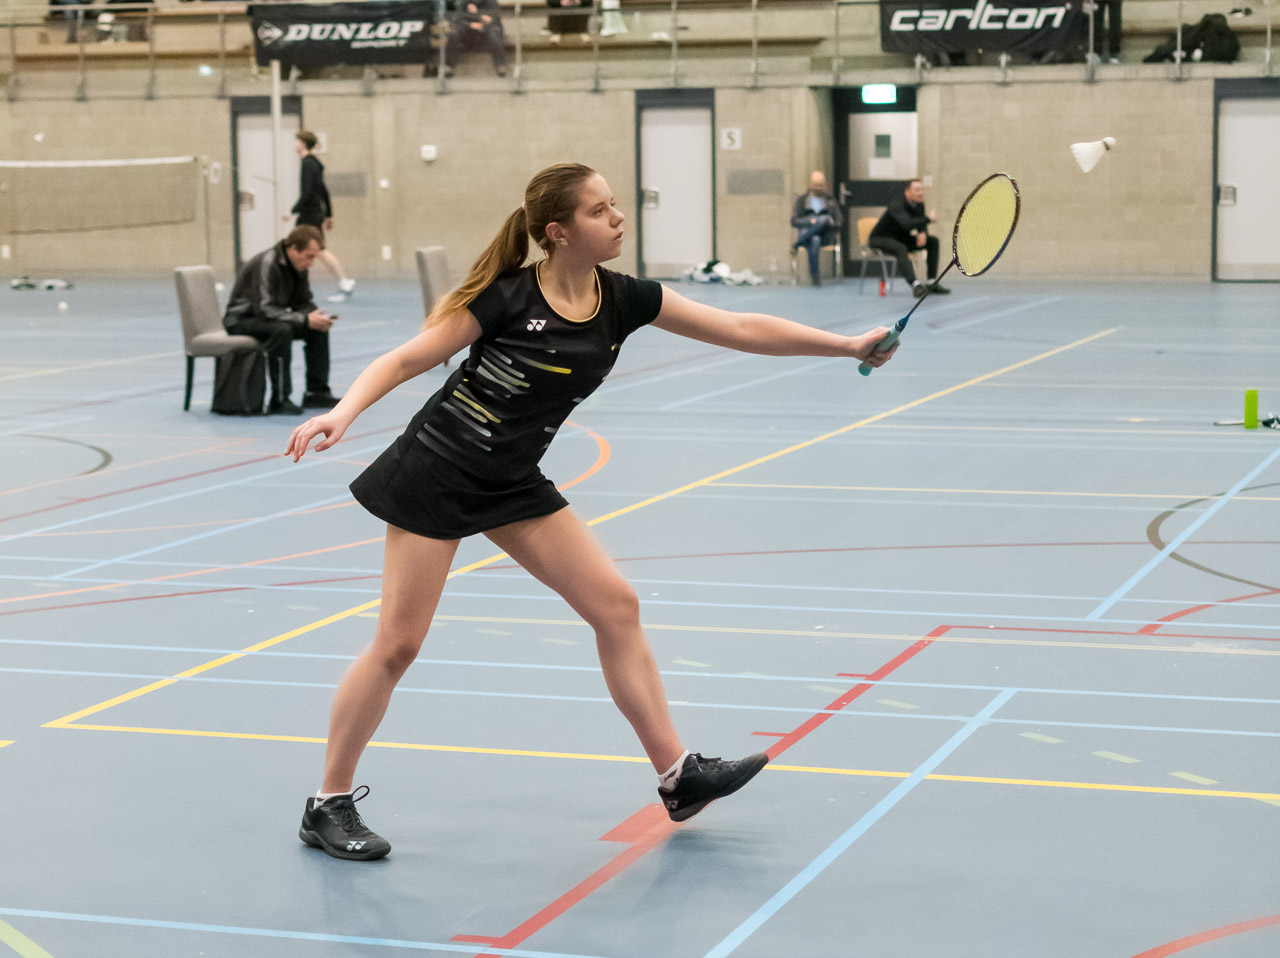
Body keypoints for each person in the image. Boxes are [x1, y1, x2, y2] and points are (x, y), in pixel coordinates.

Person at [285, 162, 898, 861]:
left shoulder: (624, 298)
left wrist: (846, 345)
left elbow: (738, 324)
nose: (618, 218)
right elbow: (405, 361)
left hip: (512, 480)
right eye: (600, 210)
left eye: (615, 205)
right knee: (398, 645)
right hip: (438, 472)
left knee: (616, 606)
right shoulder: (508, 297)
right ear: (559, 231)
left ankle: (679, 777)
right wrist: (342, 413)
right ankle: (327, 802)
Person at [223, 226, 342, 415]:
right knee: (281, 331)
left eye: (314, 257)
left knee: (317, 328)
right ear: (293, 249)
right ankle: (279, 399)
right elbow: (264, 308)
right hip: (240, 320)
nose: (311, 262)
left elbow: (303, 302)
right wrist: (304, 319)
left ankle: (316, 392)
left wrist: (315, 317)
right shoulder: (267, 263)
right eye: (309, 256)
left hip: (267, 318)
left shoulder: (299, 266)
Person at [292, 131, 356, 304]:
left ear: (303, 144)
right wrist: (328, 214)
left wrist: (292, 211)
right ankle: (301, 288)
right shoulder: (315, 163)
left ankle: (343, 282)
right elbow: (323, 190)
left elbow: (308, 192)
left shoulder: (307, 163)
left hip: (309, 215)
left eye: (296, 142)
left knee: (316, 250)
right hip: (315, 214)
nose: (295, 146)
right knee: (310, 249)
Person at [868, 179, 950, 297]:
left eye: (922, 190)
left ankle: (932, 283)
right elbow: (907, 224)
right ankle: (916, 285)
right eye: (917, 190)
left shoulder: (920, 204)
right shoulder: (897, 204)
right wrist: (929, 219)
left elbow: (920, 222)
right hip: (880, 238)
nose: (921, 193)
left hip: (900, 238)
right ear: (908, 193)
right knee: (901, 248)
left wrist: (923, 233)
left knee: (933, 241)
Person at [790, 171, 842, 287]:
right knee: (815, 239)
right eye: (816, 185)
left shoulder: (831, 201)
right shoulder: (802, 201)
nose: (818, 188)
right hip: (810, 238)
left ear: (825, 185)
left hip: (826, 236)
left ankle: (797, 243)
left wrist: (829, 222)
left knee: (824, 218)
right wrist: (810, 221)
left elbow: (839, 223)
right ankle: (815, 277)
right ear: (810, 185)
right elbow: (794, 221)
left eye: (821, 185)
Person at [444, 0, 508, 76]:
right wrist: (471, 25)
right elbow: (457, 19)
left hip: (486, 33)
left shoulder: (491, 2)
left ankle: (500, 65)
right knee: (455, 31)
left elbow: (493, 20)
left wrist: (477, 14)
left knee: (494, 32)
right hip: (469, 33)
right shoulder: (464, 2)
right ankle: (448, 66)